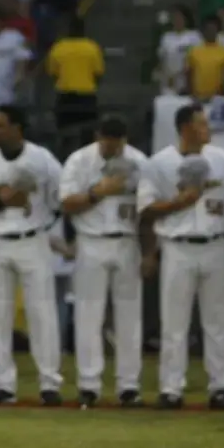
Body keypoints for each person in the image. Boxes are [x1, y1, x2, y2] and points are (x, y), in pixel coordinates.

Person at [137, 103, 224, 410]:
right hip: (177, 245)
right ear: (185, 128)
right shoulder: (159, 163)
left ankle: (222, 387)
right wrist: (177, 204)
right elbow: (146, 210)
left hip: (215, 243)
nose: (207, 128)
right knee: (174, 322)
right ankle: (171, 388)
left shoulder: (221, 160)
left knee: (218, 321)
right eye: (201, 123)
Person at [0, 106, 65, 406]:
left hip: (33, 239)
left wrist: (49, 228)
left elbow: (59, 200)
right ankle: (3, 385)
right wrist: (3, 199)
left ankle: (49, 383)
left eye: (0, 125)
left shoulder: (42, 158)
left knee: (42, 313)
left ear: (17, 128)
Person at [59, 116, 148, 407]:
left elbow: (148, 211)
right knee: (89, 315)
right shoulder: (79, 160)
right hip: (91, 241)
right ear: (98, 137)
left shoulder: (139, 162)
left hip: (127, 240)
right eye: (108, 142)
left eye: (118, 143)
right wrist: (98, 191)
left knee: (129, 316)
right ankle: (89, 384)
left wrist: (149, 252)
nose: (113, 148)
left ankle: (129, 386)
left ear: (125, 140)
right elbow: (67, 204)